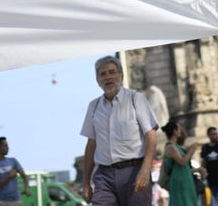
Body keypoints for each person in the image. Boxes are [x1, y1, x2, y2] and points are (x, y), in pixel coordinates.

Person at [80, 55, 159, 206]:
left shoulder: (136, 99)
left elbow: (151, 136)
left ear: (121, 76)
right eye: (103, 74)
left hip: (134, 171)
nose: (108, 77)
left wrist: (145, 169)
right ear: (98, 81)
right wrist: (85, 183)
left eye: (112, 72)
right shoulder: (93, 107)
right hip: (104, 176)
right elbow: (91, 145)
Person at [161, 121, 199, 206]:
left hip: (185, 180)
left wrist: (198, 169)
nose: (180, 131)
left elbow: (184, 167)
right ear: (175, 131)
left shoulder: (177, 146)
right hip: (179, 182)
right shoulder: (170, 147)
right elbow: (182, 162)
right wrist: (192, 150)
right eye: (179, 129)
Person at [0, 136, 29, 206]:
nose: (8, 148)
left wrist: (27, 188)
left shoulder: (13, 161)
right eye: (5, 145)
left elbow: (24, 176)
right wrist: (8, 177)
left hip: (15, 201)